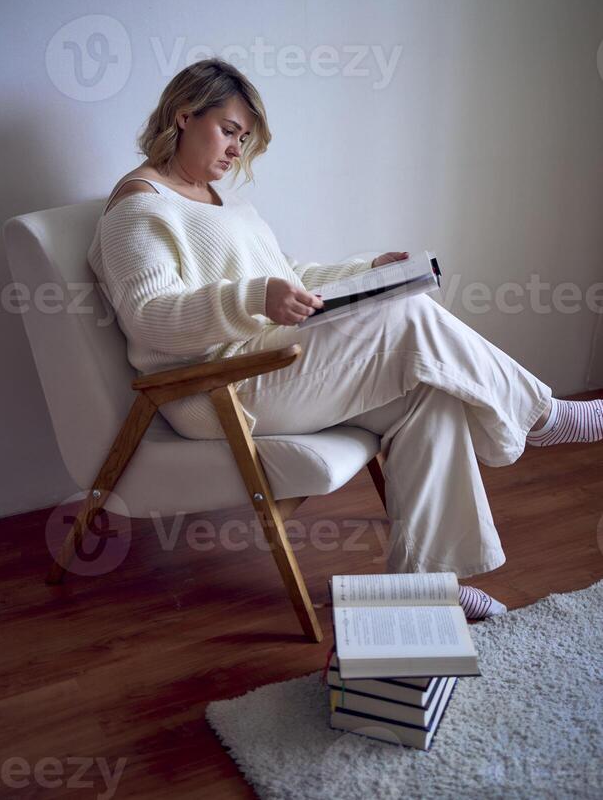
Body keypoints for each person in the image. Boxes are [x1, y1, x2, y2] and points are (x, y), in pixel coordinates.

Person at [87, 58, 603, 620]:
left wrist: (367, 269)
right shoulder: (139, 209)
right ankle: (542, 414)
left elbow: (292, 279)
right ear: (183, 116)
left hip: (268, 364)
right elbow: (148, 316)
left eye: (245, 139)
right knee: (409, 321)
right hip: (216, 390)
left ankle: (425, 592)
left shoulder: (220, 202)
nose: (237, 150)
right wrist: (253, 299)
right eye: (229, 131)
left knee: (429, 395)